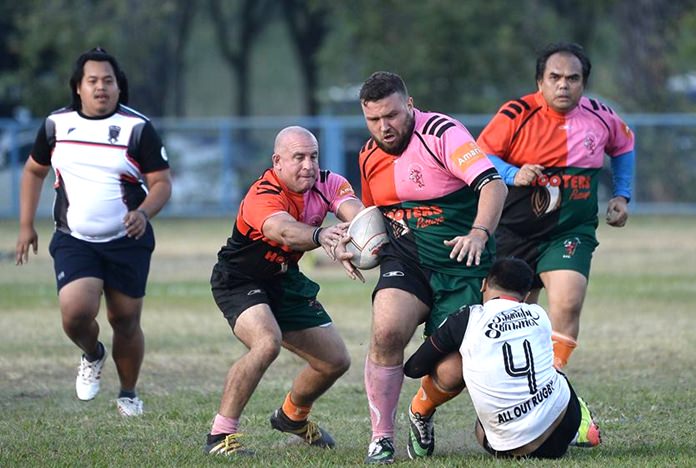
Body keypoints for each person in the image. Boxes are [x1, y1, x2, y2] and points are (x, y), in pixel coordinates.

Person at [354, 71, 508, 464]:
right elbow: (374, 216)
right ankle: (381, 437)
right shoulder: (369, 155)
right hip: (407, 261)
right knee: (387, 330)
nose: (384, 127)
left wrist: (478, 232)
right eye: (374, 120)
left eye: (391, 115)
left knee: (453, 372)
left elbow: (494, 185)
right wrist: (349, 243)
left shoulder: (443, 133)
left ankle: (421, 410)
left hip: (461, 265)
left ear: (409, 104)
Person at [15, 47, 172, 416]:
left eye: (108, 81)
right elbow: (33, 171)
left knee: (124, 320)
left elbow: (162, 183)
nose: (101, 87)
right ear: (78, 88)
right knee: (75, 312)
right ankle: (93, 353)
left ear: (119, 87)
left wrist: (145, 213)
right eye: (93, 81)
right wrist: (25, 225)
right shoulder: (56, 125)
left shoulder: (138, 128)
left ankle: (129, 393)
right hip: (74, 238)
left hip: (127, 241)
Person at [205, 126, 364, 456]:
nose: (308, 165)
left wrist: (362, 237)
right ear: (277, 162)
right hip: (240, 280)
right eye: (298, 157)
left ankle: (292, 417)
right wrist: (323, 236)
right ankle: (220, 437)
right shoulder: (262, 194)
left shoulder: (328, 182)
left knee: (335, 361)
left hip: (284, 279)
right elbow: (285, 232)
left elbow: (355, 213)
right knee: (266, 342)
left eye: (313, 156)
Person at [477, 42, 635, 369]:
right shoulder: (515, 114)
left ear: (584, 83)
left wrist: (622, 194)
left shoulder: (601, 117)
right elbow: (481, 154)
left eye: (573, 78)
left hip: (569, 231)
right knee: (512, 316)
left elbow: (623, 147)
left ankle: (552, 382)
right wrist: (511, 172)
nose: (564, 84)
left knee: (567, 303)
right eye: (555, 77)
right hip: (514, 231)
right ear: (540, 82)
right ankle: (511, 382)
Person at [403, 257, 601, 459]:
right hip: (564, 426)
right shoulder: (538, 314)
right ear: (525, 296)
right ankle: (577, 424)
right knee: (550, 367)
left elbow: (414, 368)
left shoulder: (468, 318)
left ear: (484, 285)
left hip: (508, 448)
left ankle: (420, 410)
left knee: (453, 364)